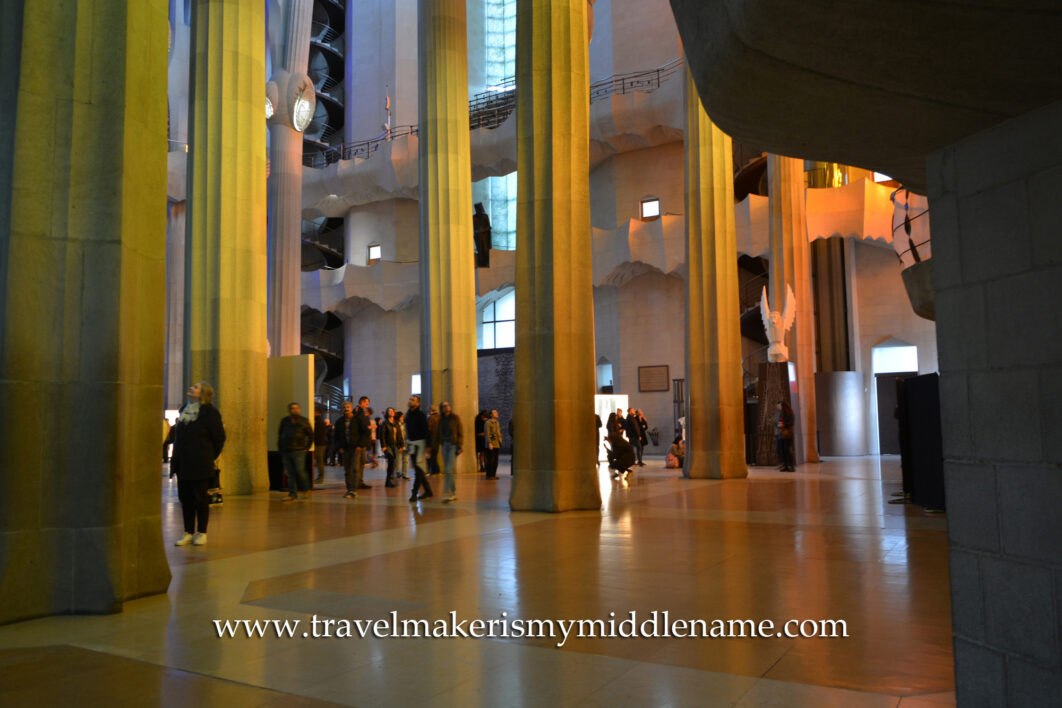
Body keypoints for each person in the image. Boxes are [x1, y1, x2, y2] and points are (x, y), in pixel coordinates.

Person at [170, 381, 226, 546]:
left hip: (200, 463)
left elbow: (219, 438)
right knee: (185, 499)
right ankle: (188, 532)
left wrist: (208, 456)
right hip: (183, 463)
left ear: (203, 393)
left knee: (200, 499)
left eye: (195, 387)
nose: (191, 388)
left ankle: (201, 532)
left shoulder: (210, 413)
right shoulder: (184, 411)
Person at [278, 402, 313, 501]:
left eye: (297, 408)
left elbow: (311, 435)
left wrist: (307, 447)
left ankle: (306, 489)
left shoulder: (304, 421)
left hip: (299, 450)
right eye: (293, 408)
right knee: (289, 473)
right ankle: (292, 494)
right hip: (286, 450)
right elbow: (280, 435)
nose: (295, 410)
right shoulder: (284, 421)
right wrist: (280, 448)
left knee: (300, 470)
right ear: (289, 410)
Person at [428, 400, 462, 502]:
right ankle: (453, 492)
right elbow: (438, 434)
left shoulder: (455, 418)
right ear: (441, 409)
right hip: (444, 446)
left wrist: (459, 446)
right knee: (449, 471)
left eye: (448, 405)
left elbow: (460, 432)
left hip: (453, 445)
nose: (446, 407)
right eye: (444, 406)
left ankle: (447, 494)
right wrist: (432, 447)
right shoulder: (441, 420)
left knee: (448, 470)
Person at [405, 395, 433, 501]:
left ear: (418, 403)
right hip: (412, 444)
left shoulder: (421, 415)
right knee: (419, 470)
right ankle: (428, 491)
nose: (410, 401)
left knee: (419, 470)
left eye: (413, 400)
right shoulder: (408, 415)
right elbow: (408, 431)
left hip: (421, 445)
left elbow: (426, 431)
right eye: (410, 399)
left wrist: (428, 446)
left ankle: (414, 493)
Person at [381, 407, 400, 488]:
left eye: (392, 411)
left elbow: (399, 435)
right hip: (388, 445)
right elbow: (382, 436)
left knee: (394, 463)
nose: (391, 412)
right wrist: (383, 446)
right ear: (387, 413)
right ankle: (389, 480)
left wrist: (401, 444)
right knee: (391, 460)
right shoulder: (385, 423)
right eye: (389, 411)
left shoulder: (396, 423)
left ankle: (390, 479)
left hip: (395, 445)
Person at [774, 400, 796, 472]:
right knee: (782, 450)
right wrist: (779, 424)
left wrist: (784, 424)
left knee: (787, 450)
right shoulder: (781, 414)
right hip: (781, 434)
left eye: (780, 405)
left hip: (787, 434)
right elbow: (780, 421)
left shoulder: (790, 414)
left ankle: (791, 465)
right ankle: (785, 465)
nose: (779, 407)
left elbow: (791, 423)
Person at [313, 408, 329, 483]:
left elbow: (318, 434)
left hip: (319, 444)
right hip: (321, 443)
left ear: (317, 412)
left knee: (319, 461)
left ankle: (320, 478)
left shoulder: (318, 422)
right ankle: (320, 477)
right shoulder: (320, 421)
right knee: (319, 461)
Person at [485, 409, 502, 480]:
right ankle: (489, 475)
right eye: (494, 412)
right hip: (491, 444)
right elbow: (487, 434)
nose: (496, 413)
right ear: (491, 415)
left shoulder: (497, 422)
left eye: (496, 412)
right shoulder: (488, 423)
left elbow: (498, 433)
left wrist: (500, 440)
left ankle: (493, 475)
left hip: (497, 444)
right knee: (490, 460)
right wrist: (490, 443)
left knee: (495, 461)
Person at [395, 410, 409, 480]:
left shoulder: (405, 424)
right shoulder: (396, 424)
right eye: (401, 416)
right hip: (399, 444)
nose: (403, 417)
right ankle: (398, 472)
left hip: (406, 443)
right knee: (398, 459)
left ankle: (405, 474)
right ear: (398, 417)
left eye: (403, 416)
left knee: (406, 460)